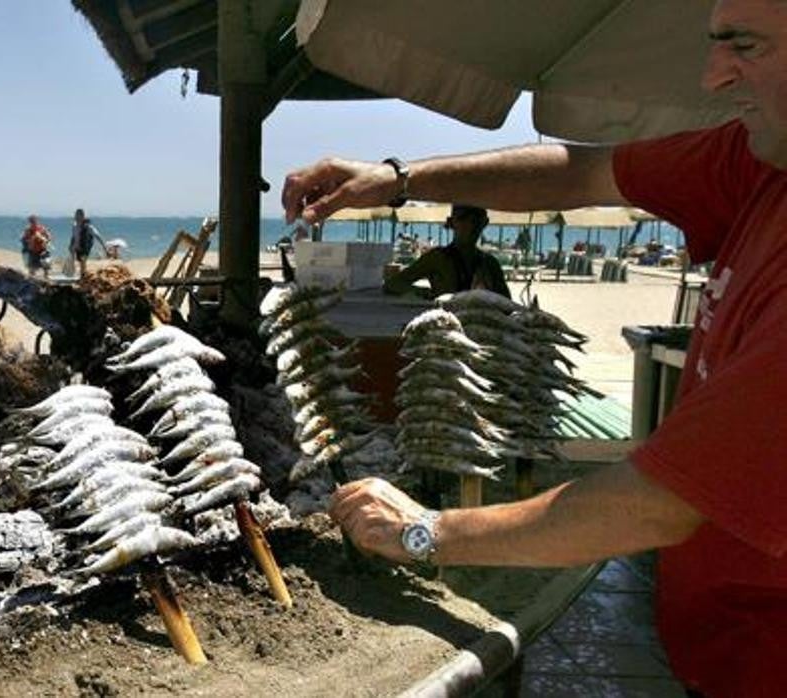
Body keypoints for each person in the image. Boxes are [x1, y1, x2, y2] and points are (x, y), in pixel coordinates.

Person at [280, 1, 786, 693]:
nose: (711, 78)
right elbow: (581, 173)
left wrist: (425, 532)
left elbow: (658, 501)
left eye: (745, 47)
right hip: (720, 649)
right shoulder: (760, 163)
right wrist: (399, 179)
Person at [382, 204, 511, 299]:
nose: (470, 224)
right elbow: (393, 284)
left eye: (476, 219)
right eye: (463, 218)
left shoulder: (489, 263)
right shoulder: (437, 258)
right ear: (451, 223)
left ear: (485, 223)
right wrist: (426, 294)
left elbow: (507, 305)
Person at [69, 208, 106, 277]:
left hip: (85, 246)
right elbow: (73, 236)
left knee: (83, 261)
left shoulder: (88, 227)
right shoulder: (74, 226)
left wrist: (103, 246)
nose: (76, 217)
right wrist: (71, 245)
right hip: (77, 246)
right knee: (80, 261)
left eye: (79, 215)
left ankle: (82, 276)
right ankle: (80, 273)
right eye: (76, 215)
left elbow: (97, 236)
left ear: (83, 216)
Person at [21, 215, 52, 279]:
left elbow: (49, 236)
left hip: (42, 248)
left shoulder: (42, 228)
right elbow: (23, 239)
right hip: (32, 250)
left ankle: (46, 276)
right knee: (32, 266)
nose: (33, 222)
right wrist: (29, 240)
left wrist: (45, 240)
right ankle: (32, 277)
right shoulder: (28, 230)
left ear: (37, 221)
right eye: (31, 221)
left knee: (46, 262)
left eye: (34, 221)